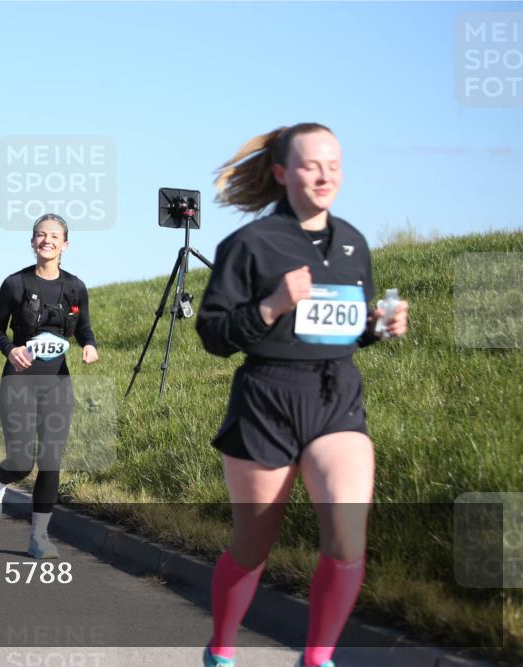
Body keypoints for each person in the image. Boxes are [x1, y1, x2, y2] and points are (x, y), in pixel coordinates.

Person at [195, 123, 409, 667]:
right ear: (282, 173)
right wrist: (272, 305)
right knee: (251, 550)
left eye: (334, 166)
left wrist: (378, 326)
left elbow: (347, 329)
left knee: (346, 538)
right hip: (266, 402)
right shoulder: (249, 245)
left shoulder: (354, 242)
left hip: (335, 399)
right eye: (312, 166)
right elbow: (214, 335)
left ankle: (317, 658)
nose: (324, 176)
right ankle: (221, 651)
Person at [0, 213, 99, 559]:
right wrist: (10, 349)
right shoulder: (15, 284)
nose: (47, 240)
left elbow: (84, 328)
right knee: (21, 462)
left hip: (58, 383)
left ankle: (39, 538)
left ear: (65, 245)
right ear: (32, 242)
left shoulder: (75, 287)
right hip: (18, 381)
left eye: (54, 236)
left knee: (51, 461)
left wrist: (89, 346)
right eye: (41, 235)